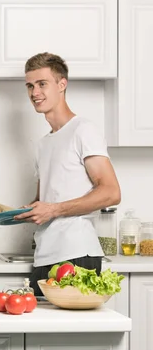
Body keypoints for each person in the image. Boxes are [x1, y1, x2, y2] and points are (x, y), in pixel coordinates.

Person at [14, 52, 121, 296]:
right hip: (44, 255)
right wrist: (25, 211)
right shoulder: (43, 144)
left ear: (62, 84)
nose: (34, 92)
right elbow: (47, 199)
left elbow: (111, 192)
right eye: (30, 86)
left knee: (69, 333)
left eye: (42, 84)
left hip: (77, 254)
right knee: (39, 332)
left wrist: (52, 210)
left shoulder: (83, 130)